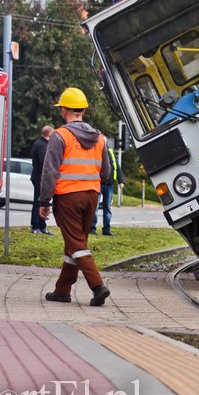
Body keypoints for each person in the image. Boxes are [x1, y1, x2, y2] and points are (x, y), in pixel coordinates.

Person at [39, 87, 112, 307]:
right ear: (83, 110)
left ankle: (98, 286)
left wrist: (44, 201)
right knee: (75, 243)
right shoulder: (100, 138)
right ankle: (62, 290)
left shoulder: (60, 135)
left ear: (64, 110)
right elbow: (106, 173)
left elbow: (50, 171)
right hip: (92, 196)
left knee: (77, 243)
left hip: (68, 196)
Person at [90, 139, 125, 236]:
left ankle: (106, 229)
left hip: (109, 184)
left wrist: (121, 180)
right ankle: (92, 228)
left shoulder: (110, 151)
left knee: (107, 208)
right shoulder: (95, 151)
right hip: (98, 183)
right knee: (95, 207)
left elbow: (116, 166)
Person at [30, 125, 54, 235]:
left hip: (41, 178)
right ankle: (35, 226)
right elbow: (45, 161)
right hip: (40, 178)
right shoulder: (42, 145)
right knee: (38, 203)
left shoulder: (41, 143)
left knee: (42, 203)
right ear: (49, 134)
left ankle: (42, 226)